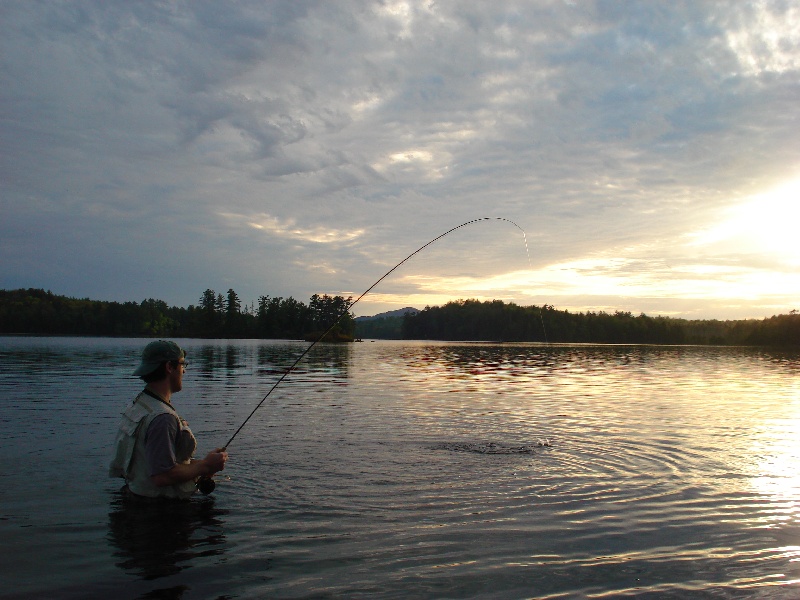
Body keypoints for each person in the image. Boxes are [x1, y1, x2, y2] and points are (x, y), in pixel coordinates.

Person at [110, 340, 228, 500]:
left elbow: (152, 461)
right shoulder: (162, 418)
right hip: (161, 512)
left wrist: (205, 465)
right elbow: (162, 476)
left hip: (135, 499)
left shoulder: (140, 404)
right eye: (182, 364)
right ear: (169, 367)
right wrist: (205, 465)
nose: (184, 371)